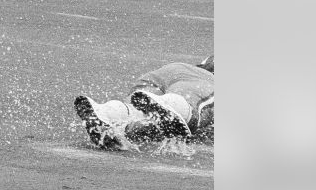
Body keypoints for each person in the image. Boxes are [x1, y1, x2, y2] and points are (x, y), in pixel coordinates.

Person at [74, 55, 214, 151]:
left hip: (168, 71)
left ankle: (109, 113)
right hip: (205, 79)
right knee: (191, 106)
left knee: (135, 113)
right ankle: (173, 104)